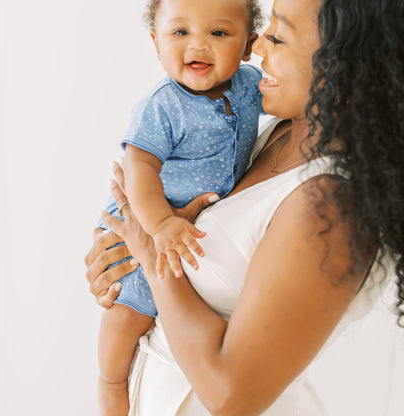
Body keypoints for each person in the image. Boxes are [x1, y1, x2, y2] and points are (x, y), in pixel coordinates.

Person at [86, 0, 404, 414]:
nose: (257, 50)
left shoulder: (331, 205)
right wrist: (120, 262)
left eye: (279, 35)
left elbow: (231, 396)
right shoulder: (273, 133)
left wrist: (150, 254)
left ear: (347, 63)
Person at [96, 0, 265, 414]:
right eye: (180, 32)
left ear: (248, 46)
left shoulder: (250, 85)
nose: (199, 45)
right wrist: (160, 224)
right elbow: (139, 168)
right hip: (149, 218)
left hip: (189, 233)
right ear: (156, 42)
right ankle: (110, 387)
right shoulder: (163, 105)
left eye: (219, 33)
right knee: (127, 318)